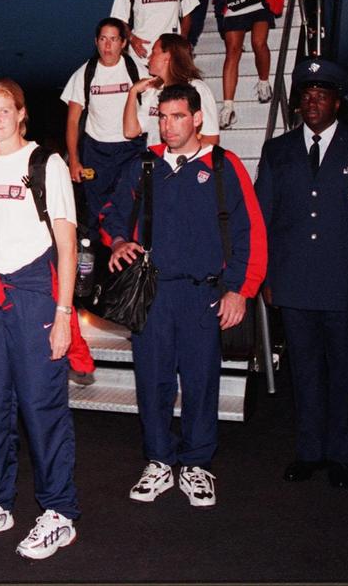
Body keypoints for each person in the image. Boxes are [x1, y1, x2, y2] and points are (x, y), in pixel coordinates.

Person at [102, 84, 266, 507]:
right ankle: (158, 459)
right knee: (152, 382)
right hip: (152, 294)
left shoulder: (224, 166)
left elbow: (251, 233)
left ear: (197, 119)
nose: (168, 125)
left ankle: (195, 464)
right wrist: (119, 240)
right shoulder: (144, 165)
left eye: (177, 116)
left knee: (201, 381)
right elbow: (112, 214)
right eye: (162, 116)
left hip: (202, 295)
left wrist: (239, 291)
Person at [0, 78, 80, 560]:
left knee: (40, 405)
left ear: (22, 114)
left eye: (4, 110)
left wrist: (64, 314)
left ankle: (59, 511)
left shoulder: (47, 164)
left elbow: (66, 245)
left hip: (33, 296)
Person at [254, 59, 348, 489]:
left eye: (321, 94)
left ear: (338, 101)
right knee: (305, 372)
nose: (311, 101)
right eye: (305, 94)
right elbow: (263, 220)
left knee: (346, 371)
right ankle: (309, 451)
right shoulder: (277, 151)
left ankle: (341, 454)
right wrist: (263, 277)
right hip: (294, 283)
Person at [61, 17, 145, 224]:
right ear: (96, 41)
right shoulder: (84, 74)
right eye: (103, 39)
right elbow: (72, 121)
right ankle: (100, 253)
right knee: (97, 213)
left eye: (114, 39)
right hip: (96, 152)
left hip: (131, 149)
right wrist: (74, 160)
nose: (108, 46)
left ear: (123, 43)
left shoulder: (138, 70)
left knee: (132, 207)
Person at [122, 33, 220, 148]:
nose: (149, 57)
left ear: (167, 58)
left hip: (185, 162)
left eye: (154, 52)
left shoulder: (196, 88)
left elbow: (211, 139)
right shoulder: (154, 90)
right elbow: (130, 131)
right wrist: (133, 92)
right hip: (158, 163)